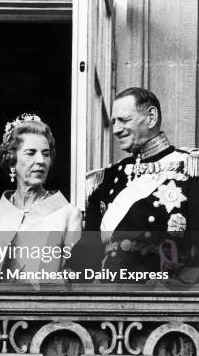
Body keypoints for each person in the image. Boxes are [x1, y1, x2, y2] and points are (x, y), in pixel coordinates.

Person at [71, 87, 199, 283]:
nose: (115, 129)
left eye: (124, 120)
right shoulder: (107, 178)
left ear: (151, 117)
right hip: (107, 296)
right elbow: (90, 247)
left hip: (161, 299)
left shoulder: (190, 170)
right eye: (113, 122)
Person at [0, 117, 83, 283]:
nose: (41, 161)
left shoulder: (67, 213)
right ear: (12, 160)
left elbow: (71, 277)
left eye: (46, 154)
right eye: (31, 153)